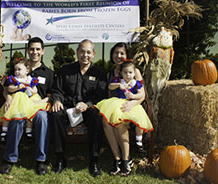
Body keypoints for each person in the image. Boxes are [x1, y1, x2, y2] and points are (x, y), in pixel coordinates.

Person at [50, 39, 107, 177]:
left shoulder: (99, 73)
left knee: (97, 117)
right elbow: (57, 90)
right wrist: (57, 100)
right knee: (56, 114)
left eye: (88, 52)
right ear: (77, 52)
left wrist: (87, 105)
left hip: (88, 107)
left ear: (93, 54)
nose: (85, 55)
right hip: (68, 106)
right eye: (82, 51)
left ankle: (94, 160)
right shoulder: (66, 70)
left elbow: (101, 95)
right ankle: (60, 158)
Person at [94, 42, 153, 176]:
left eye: (122, 53)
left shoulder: (134, 71)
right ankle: (117, 158)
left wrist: (132, 103)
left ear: (127, 55)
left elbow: (142, 94)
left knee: (119, 124)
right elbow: (110, 92)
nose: (118, 56)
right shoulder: (110, 74)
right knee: (107, 123)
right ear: (112, 55)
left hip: (131, 106)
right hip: (115, 106)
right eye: (116, 53)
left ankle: (126, 160)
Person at [0, 37, 54, 175]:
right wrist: (8, 97)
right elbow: (6, 88)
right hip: (19, 104)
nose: (34, 52)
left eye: (37, 49)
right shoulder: (18, 69)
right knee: (17, 118)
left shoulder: (49, 73)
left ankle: (41, 160)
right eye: (32, 49)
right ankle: (9, 159)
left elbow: (52, 94)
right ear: (28, 50)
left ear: (42, 51)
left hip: (37, 106)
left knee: (42, 117)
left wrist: (43, 101)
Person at [0, 58, 49, 143]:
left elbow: (35, 90)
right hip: (17, 101)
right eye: (15, 69)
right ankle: (4, 131)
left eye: (19, 69)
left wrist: (30, 89)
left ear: (27, 70)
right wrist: (16, 88)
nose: (17, 72)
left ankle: (28, 132)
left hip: (28, 101)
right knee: (8, 113)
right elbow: (9, 88)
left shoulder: (30, 79)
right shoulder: (15, 79)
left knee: (30, 115)